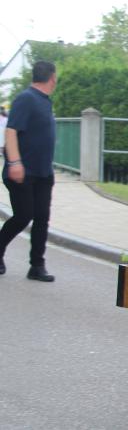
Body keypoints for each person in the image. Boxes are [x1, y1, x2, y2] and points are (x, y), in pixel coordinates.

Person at [0, 61, 59, 282]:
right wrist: (15, 163)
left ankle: (37, 266)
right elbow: (11, 131)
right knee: (24, 216)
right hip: (23, 171)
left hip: (43, 173)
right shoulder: (26, 98)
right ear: (53, 78)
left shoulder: (44, 101)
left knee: (42, 218)